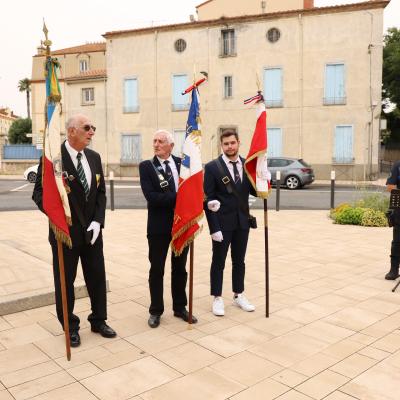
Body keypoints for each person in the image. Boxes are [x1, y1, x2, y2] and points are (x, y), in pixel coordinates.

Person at [32, 114, 116, 347]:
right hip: (65, 233)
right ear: (71, 131)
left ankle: (99, 320)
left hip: (92, 232)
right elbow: (39, 194)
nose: (91, 132)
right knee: (65, 281)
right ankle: (70, 326)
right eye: (87, 128)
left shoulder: (94, 157)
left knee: (97, 277)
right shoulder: (53, 159)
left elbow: (100, 193)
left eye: (93, 127)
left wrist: (98, 222)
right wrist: (58, 218)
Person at [139, 129, 198, 328]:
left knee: (180, 269)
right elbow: (152, 197)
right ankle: (156, 310)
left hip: (181, 225)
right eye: (154, 141)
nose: (156, 144)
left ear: (171, 146)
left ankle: (180, 307)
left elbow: (195, 189)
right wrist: (181, 198)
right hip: (158, 228)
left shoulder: (183, 164)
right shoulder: (147, 167)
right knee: (157, 269)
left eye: (161, 141)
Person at [204, 130, 257, 316]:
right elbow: (207, 200)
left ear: (238, 143)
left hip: (242, 222)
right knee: (218, 261)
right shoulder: (212, 167)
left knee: (239, 261)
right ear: (222, 145)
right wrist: (214, 228)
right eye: (226, 144)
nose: (230, 146)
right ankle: (217, 297)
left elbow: (256, 192)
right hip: (222, 224)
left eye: (232, 143)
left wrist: (263, 177)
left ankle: (238, 294)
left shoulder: (247, 165)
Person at [385, 161, 400, 280]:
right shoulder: (398, 165)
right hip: (399, 211)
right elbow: (390, 187)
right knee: (397, 241)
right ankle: (393, 270)